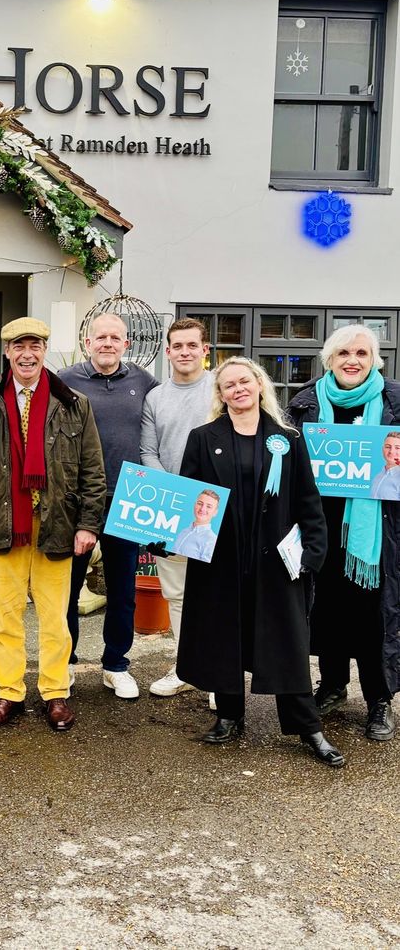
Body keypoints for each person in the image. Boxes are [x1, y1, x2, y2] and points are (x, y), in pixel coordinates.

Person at [177, 356, 344, 767]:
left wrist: (313, 553)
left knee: (287, 644)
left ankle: (308, 727)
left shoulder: (287, 438)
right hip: (222, 560)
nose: (238, 389)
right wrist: (172, 535)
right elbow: (187, 497)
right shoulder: (203, 438)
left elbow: (308, 500)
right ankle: (229, 716)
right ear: (220, 395)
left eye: (244, 381)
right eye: (228, 385)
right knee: (224, 637)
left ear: (259, 385)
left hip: (278, 561)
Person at [0, 318, 105, 732]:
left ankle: (55, 693)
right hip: (3, 523)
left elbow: (93, 470)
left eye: (35, 346)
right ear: (7, 352)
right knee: (6, 616)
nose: (27, 354)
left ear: (45, 350)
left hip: (57, 524)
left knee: (55, 616)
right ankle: (8, 694)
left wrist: (88, 525)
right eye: (19, 346)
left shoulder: (74, 402)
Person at [289, 324, 399, 742]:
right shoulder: (304, 403)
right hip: (320, 526)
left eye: (362, 353)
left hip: (376, 533)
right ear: (329, 360)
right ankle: (332, 686)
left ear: (374, 360)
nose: (352, 360)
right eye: (343, 354)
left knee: (373, 615)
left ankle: (379, 700)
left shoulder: (394, 402)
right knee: (326, 609)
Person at [59, 313, 158, 699]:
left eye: (115, 338)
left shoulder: (144, 383)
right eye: (101, 337)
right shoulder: (65, 380)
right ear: (88, 342)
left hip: (127, 499)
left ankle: (116, 664)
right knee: (66, 588)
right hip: (76, 500)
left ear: (126, 345)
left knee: (122, 590)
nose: (107, 343)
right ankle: (63, 662)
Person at [139, 318, 215, 697]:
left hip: (217, 510)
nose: (184, 352)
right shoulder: (155, 398)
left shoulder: (221, 389)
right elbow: (147, 452)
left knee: (218, 593)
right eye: (177, 346)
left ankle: (218, 675)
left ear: (205, 350)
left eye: (192, 346)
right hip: (172, 509)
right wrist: (176, 495)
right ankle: (186, 666)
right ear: (167, 352)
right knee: (178, 594)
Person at [173, 490, 220, 561]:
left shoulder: (211, 541)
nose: (202, 509)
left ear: (215, 512)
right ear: (194, 505)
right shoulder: (184, 531)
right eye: (200, 503)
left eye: (209, 506)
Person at [370, 432, 400, 501]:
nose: (391, 451)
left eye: (398, 448)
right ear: (382, 449)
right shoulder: (377, 476)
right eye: (388, 447)